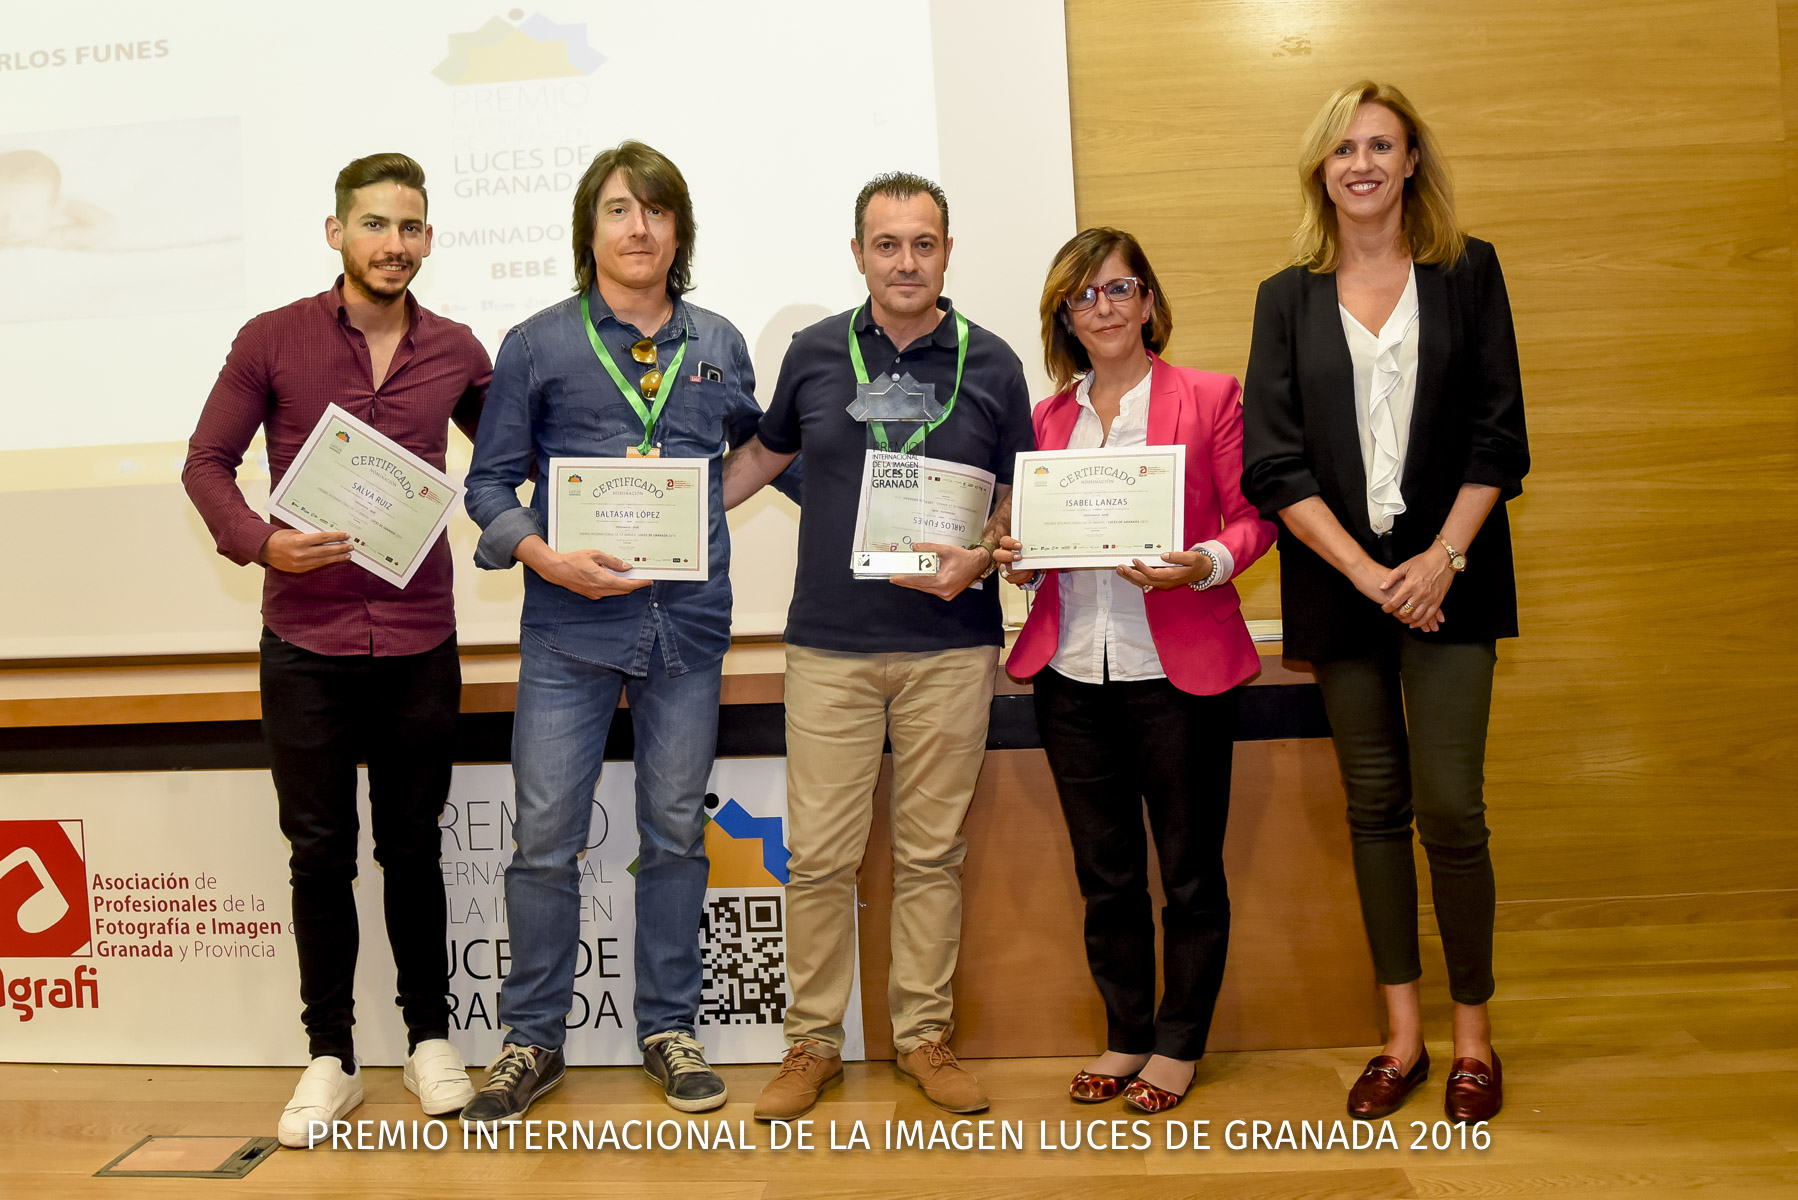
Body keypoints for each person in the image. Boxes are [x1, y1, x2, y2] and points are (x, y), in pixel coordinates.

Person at [182, 153, 490, 1147]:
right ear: (336, 234)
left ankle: (430, 1039)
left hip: (417, 641)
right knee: (319, 851)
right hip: (305, 641)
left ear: (428, 241)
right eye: (374, 226)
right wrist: (262, 541)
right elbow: (207, 463)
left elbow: (516, 458)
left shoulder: (457, 351)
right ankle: (333, 1056)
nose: (392, 244)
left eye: (409, 228)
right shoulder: (272, 339)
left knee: (412, 848)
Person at [458, 141, 766, 1122]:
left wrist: (882, 504)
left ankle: (669, 1028)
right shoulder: (536, 345)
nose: (639, 229)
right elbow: (487, 484)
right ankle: (530, 1040)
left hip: (686, 626)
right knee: (545, 840)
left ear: (679, 231)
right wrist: (545, 554)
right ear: (590, 229)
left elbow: (759, 455)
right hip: (566, 629)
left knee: (674, 837)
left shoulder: (718, 338)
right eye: (620, 211)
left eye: (657, 212)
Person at [1241, 81, 1529, 1125]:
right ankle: (1401, 1036)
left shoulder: (1467, 273)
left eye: (1380, 145)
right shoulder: (1286, 296)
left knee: (1451, 809)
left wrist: (1439, 559)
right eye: (1341, 149)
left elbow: (1501, 437)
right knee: (1375, 811)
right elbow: (1271, 465)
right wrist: (1368, 576)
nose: (1360, 163)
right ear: (1320, 171)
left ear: (1411, 162)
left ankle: (1474, 1038)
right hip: (1341, 587)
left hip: (1454, 580)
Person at [723, 171, 1034, 1119]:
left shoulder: (996, 363)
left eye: (924, 243)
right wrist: (659, 510)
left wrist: (982, 558)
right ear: (857, 253)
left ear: (948, 252)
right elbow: (761, 459)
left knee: (931, 855)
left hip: (951, 647)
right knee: (818, 857)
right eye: (887, 244)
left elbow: (1019, 495)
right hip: (830, 647)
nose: (906, 261)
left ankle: (923, 1039)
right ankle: (810, 1044)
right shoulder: (815, 355)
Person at [994, 228, 1275, 1114]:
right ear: (1064, 317)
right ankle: (1125, 1033)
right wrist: (1022, 556)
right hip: (1071, 671)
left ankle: (1179, 1045)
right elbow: (1039, 539)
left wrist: (1201, 563)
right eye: (1083, 297)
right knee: (1105, 872)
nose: (1103, 309)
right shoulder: (1046, 420)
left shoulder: (1209, 396)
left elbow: (1253, 520)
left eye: (1119, 290)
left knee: (1189, 871)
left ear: (1149, 300)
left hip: (1176, 668)